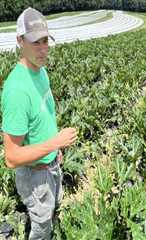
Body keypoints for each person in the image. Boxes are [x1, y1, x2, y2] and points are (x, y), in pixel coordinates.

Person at [1, 7, 78, 239]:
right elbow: (12, 158)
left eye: (45, 40)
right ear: (20, 41)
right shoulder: (17, 91)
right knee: (42, 225)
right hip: (35, 175)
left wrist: (56, 151)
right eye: (36, 42)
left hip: (51, 163)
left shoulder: (40, 70)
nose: (43, 49)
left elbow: (47, 112)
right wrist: (55, 143)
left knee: (53, 207)